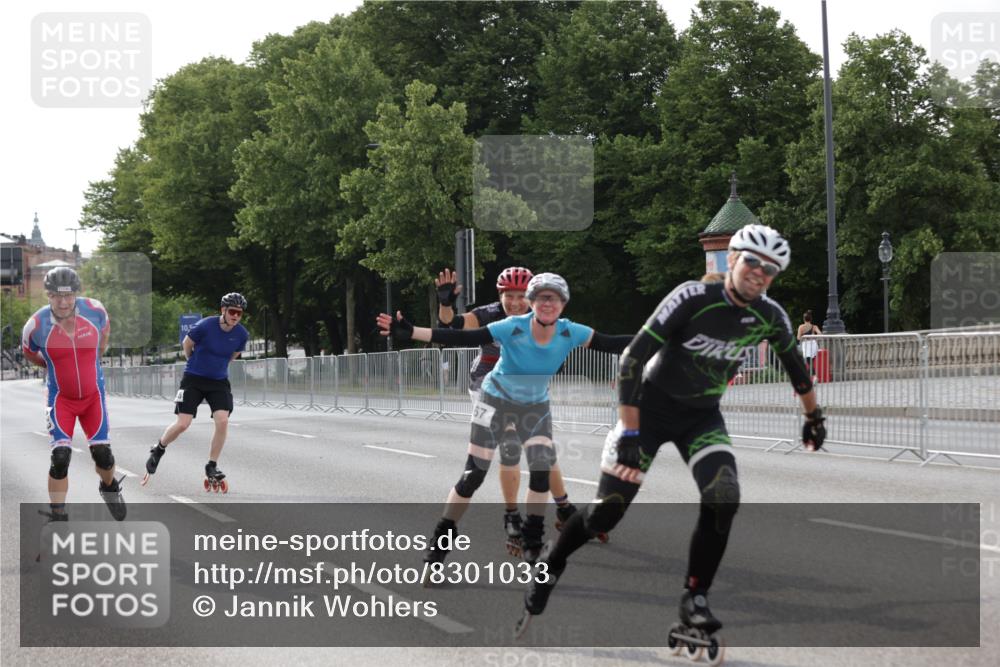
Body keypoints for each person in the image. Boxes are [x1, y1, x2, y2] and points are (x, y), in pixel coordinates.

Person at [518, 225, 827, 637]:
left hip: (701, 417)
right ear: (732, 259)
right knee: (606, 511)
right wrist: (629, 432)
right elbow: (631, 360)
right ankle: (552, 564)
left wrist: (814, 417)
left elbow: (798, 372)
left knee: (724, 496)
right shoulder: (693, 297)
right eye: (752, 261)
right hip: (647, 410)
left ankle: (694, 598)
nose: (759, 273)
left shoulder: (770, 315)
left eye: (771, 269)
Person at [378, 273, 632, 569]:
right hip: (493, 401)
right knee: (473, 475)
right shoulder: (512, 326)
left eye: (555, 299)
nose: (547, 305)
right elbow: (461, 336)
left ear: (563, 305)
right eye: (540, 299)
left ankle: (533, 544)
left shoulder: (570, 331)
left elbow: (613, 343)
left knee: (540, 472)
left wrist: (667, 339)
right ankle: (439, 543)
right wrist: (411, 332)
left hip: (534, 407)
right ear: (532, 303)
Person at [435, 266, 592, 554]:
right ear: (500, 295)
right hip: (488, 384)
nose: (516, 302)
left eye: (522, 296)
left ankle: (564, 508)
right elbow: (453, 325)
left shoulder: (540, 317)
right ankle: (512, 515)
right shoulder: (490, 314)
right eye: (510, 296)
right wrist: (445, 303)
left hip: (527, 390)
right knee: (509, 446)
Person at [21, 267, 126, 521]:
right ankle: (58, 515)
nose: (64, 302)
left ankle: (109, 486)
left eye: (69, 296)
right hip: (61, 399)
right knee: (60, 457)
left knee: (102, 454)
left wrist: (94, 360)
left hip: (93, 397)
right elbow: (29, 353)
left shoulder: (96, 311)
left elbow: (104, 338)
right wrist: (52, 365)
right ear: (48, 294)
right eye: (57, 296)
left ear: (77, 294)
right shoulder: (35, 325)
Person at [142, 293, 250, 492]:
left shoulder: (241, 334)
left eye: (239, 313)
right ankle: (159, 448)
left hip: (218, 381)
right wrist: (194, 361)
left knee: (223, 421)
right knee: (183, 423)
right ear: (223, 311)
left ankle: (212, 465)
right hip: (194, 378)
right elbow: (187, 344)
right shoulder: (205, 326)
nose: (236, 316)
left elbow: (232, 355)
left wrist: (217, 367)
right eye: (232, 312)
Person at [797, 310, 822, 378]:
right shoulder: (814, 327)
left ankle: (813, 376)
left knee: (809, 362)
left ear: (803, 319)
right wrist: (814, 337)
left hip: (806, 345)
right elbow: (820, 334)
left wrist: (804, 337)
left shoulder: (801, 327)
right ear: (811, 319)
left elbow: (798, 338)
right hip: (813, 344)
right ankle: (808, 377)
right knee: (810, 362)